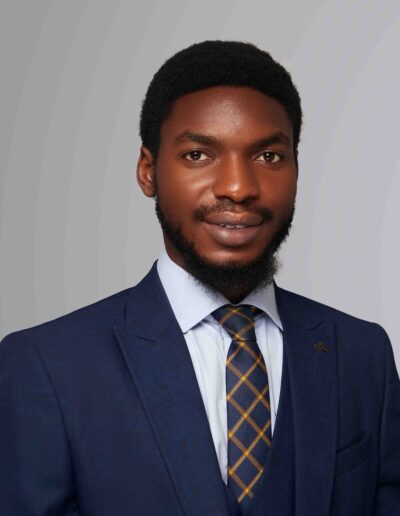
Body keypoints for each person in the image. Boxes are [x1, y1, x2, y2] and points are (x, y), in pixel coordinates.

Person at [0, 40, 399, 516]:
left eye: (269, 156)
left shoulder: (362, 354)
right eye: (197, 154)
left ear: (296, 167)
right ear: (148, 171)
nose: (238, 187)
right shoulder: (48, 366)